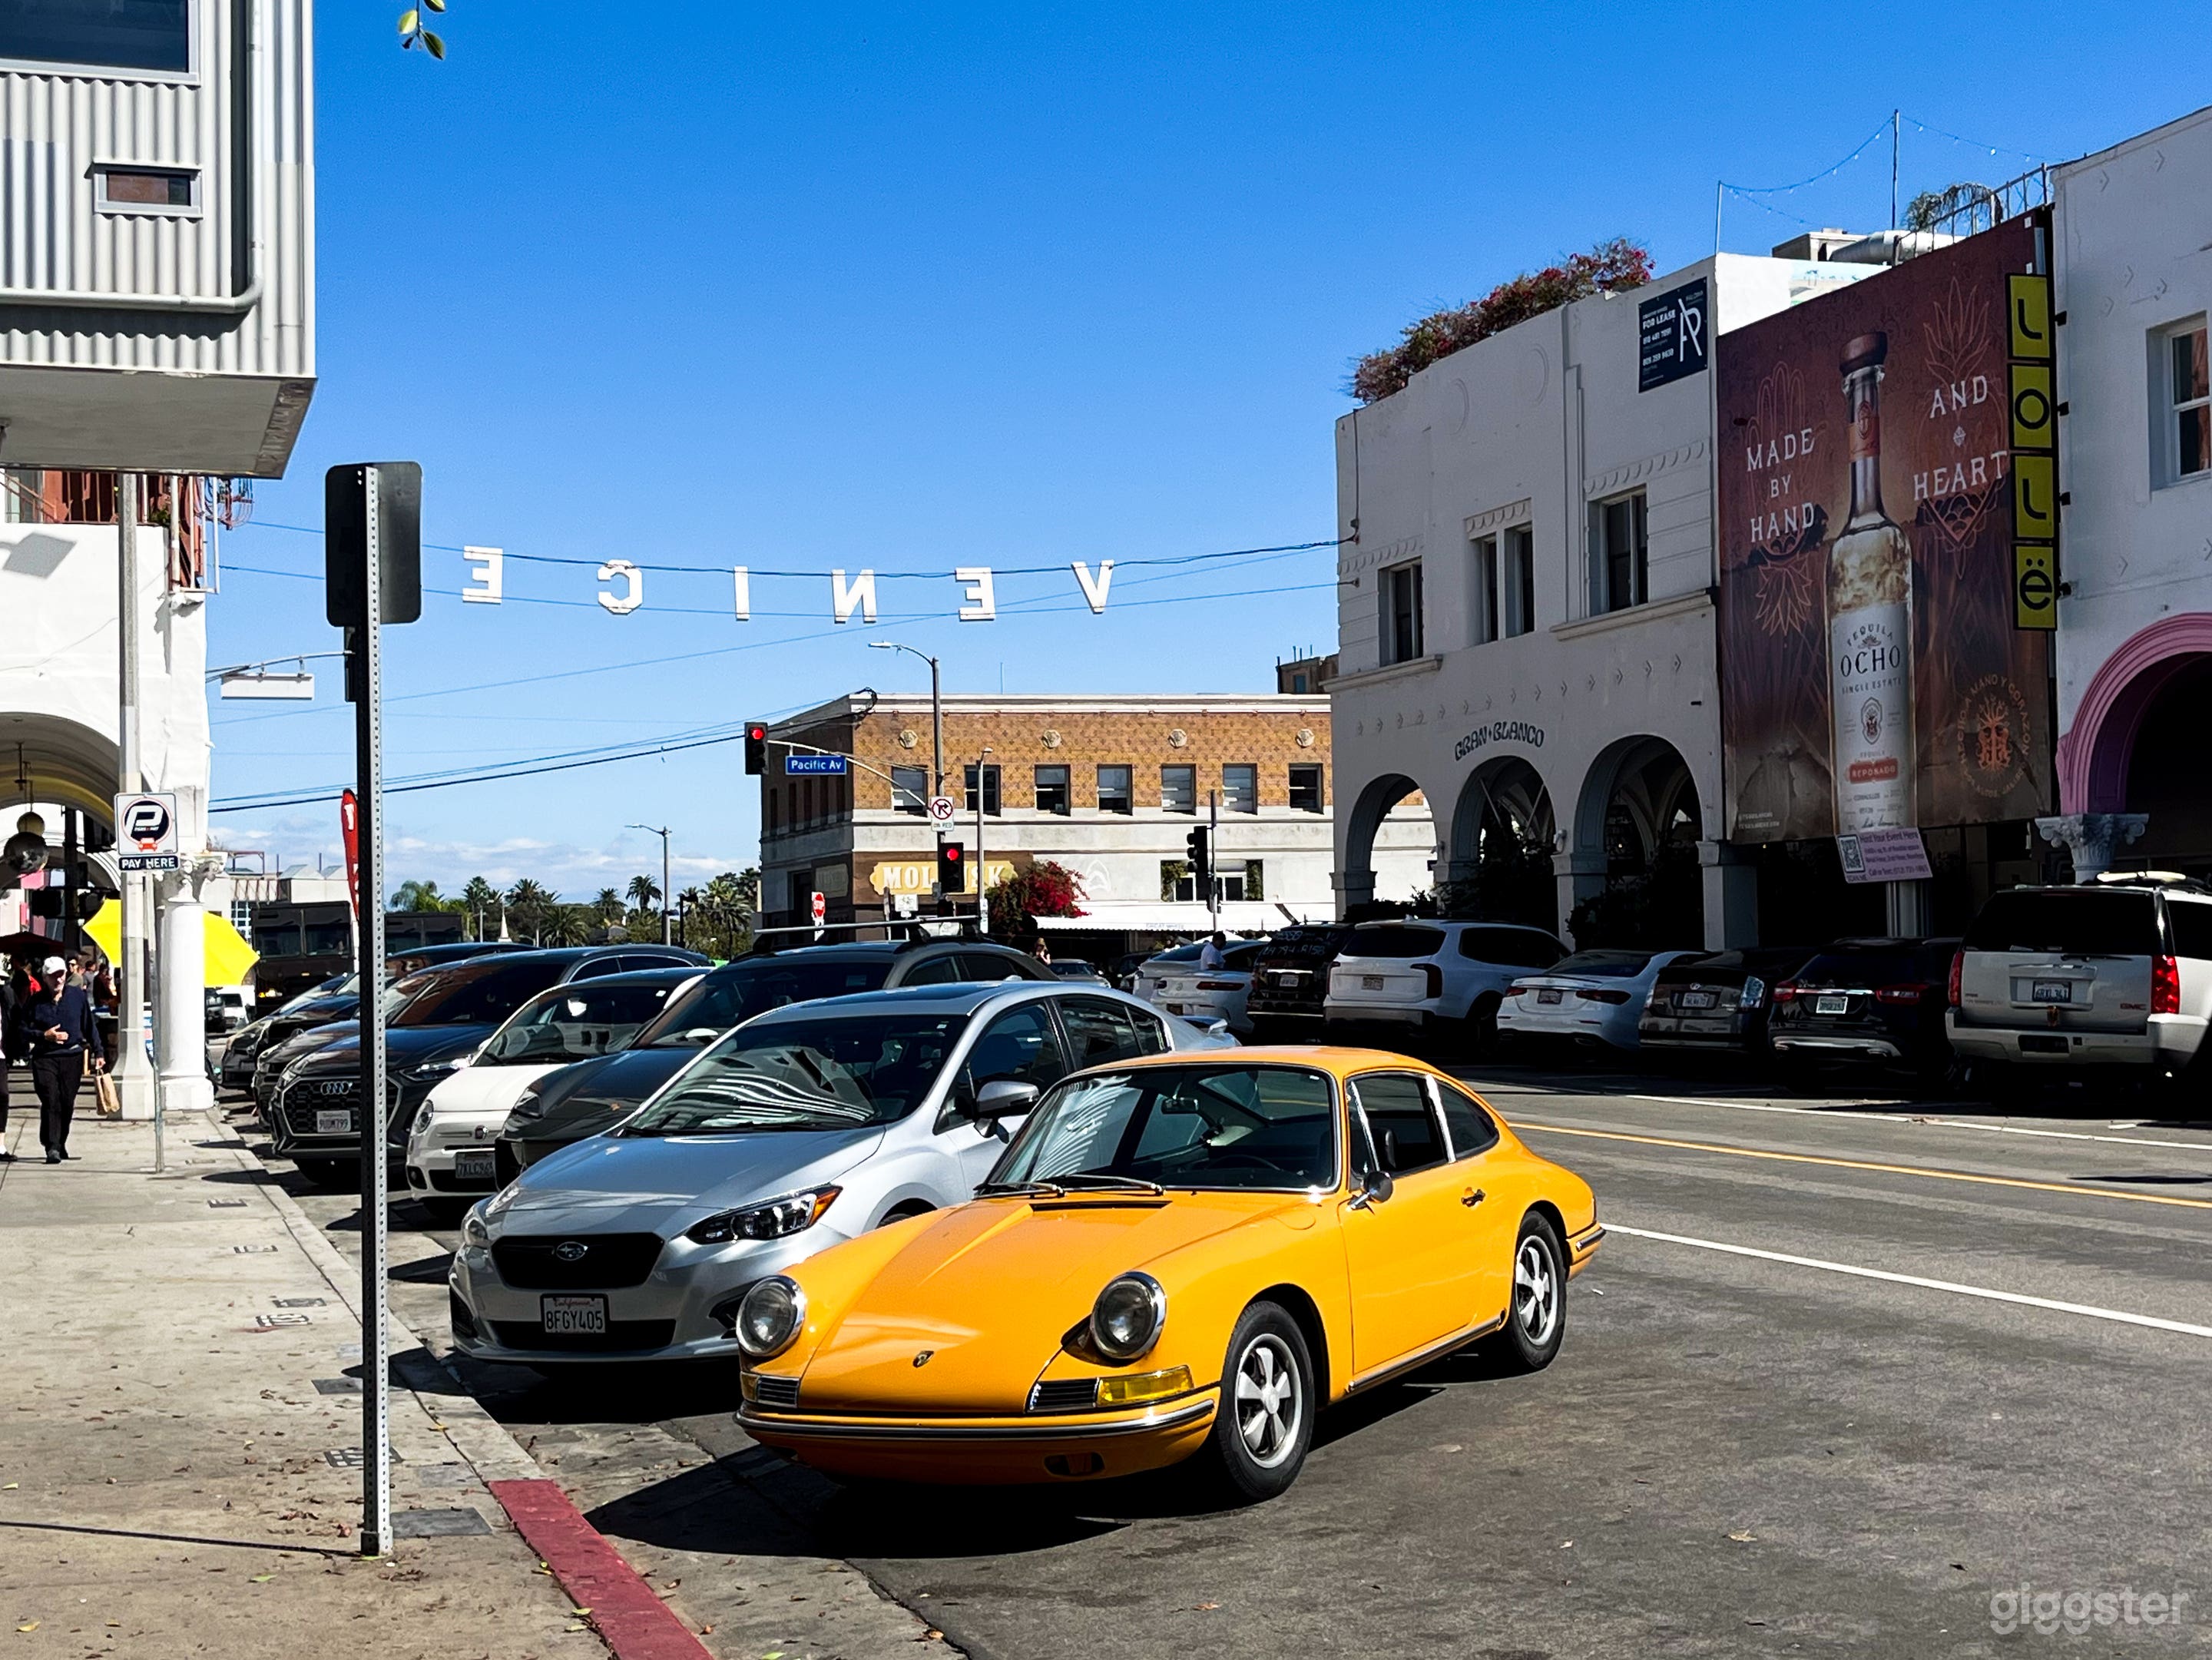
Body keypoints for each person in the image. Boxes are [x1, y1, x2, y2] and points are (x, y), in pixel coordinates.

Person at [24, 954, 104, 1163]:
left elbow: (89, 1025)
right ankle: (51, 1146)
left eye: (61, 975)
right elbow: (21, 1029)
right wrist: (43, 1036)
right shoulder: (35, 1002)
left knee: (67, 1102)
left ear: (66, 974)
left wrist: (99, 1052)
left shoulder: (77, 997)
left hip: (72, 1056)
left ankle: (60, 1142)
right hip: (45, 1057)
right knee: (51, 1100)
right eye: (53, 976)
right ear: (45, 978)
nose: (58, 980)